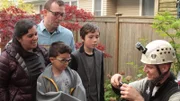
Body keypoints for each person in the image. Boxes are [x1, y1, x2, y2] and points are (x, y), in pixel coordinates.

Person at [111, 40, 180, 101]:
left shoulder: (176, 93)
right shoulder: (149, 82)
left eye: (150, 67)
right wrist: (116, 82)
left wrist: (137, 98)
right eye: (145, 65)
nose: (144, 70)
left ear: (164, 68)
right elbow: (124, 90)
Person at [0, 19, 49, 101]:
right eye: (30, 36)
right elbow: (1, 87)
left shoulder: (42, 52)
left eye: (36, 34)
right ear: (19, 38)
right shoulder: (7, 58)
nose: (35, 38)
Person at [69, 23, 104, 101]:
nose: (95, 40)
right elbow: (71, 82)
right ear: (82, 38)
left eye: (97, 37)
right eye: (91, 37)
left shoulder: (100, 55)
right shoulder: (75, 56)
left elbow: (101, 81)